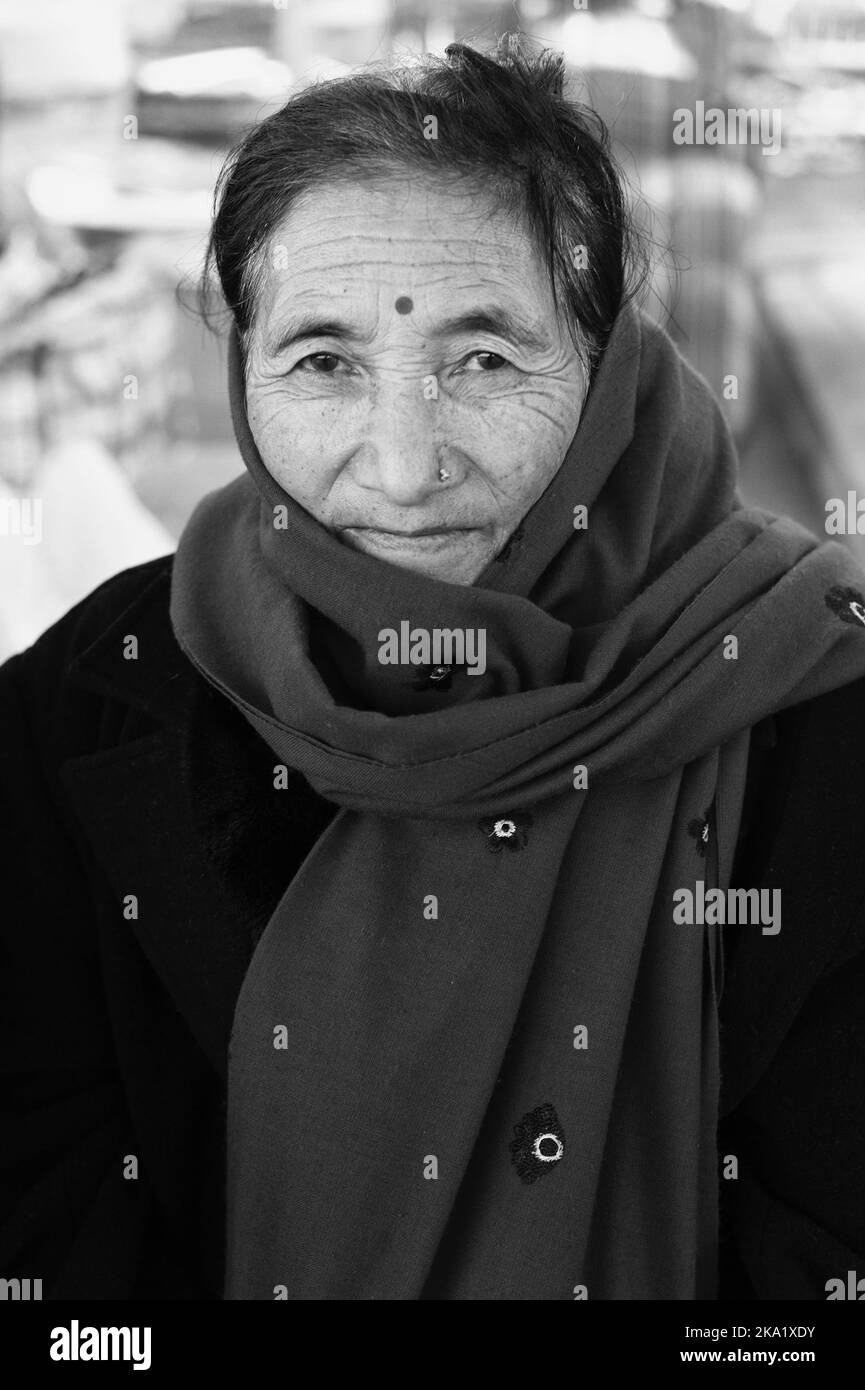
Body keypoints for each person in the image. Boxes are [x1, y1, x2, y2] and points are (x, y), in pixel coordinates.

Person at [2, 36, 864, 1303]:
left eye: (484, 360)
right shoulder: (82, 706)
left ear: (608, 362)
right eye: (323, 363)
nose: (402, 469)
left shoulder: (818, 699)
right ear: (239, 371)